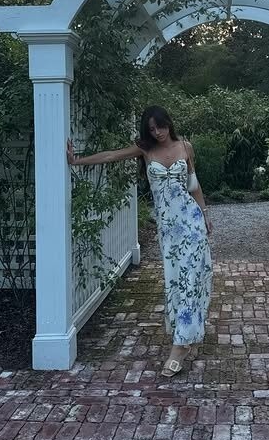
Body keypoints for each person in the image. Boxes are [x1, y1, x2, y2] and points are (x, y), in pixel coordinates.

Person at [67, 105, 213, 377]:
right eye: (152, 129)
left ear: (169, 123)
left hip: (191, 224)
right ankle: (189, 334)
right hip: (169, 230)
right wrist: (77, 161)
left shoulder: (186, 147)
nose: (158, 132)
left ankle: (180, 346)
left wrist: (205, 215)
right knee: (175, 281)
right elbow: (112, 155)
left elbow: (194, 185)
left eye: (161, 126)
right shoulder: (146, 150)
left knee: (191, 278)